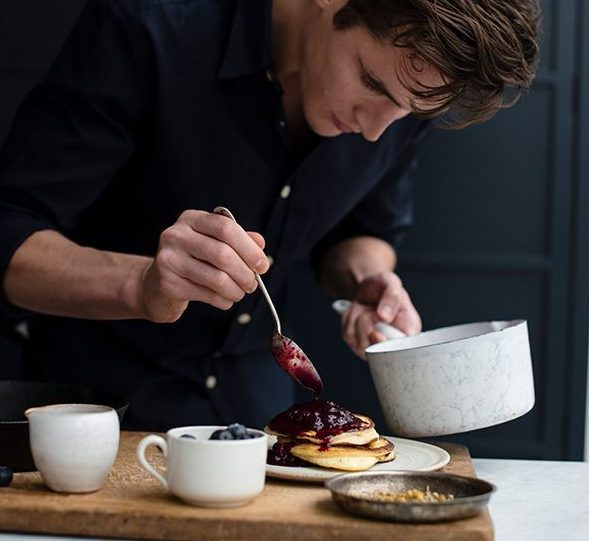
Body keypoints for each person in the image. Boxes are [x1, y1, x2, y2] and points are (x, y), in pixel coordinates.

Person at [0, 0, 540, 431]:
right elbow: (9, 228)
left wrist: (365, 280)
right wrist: (142, 285)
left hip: (260, 422)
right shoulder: (149, 25)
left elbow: (364, 231)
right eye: (373, 85)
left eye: (406, 113)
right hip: (94, 420)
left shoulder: (409, 91)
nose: (377, 131)